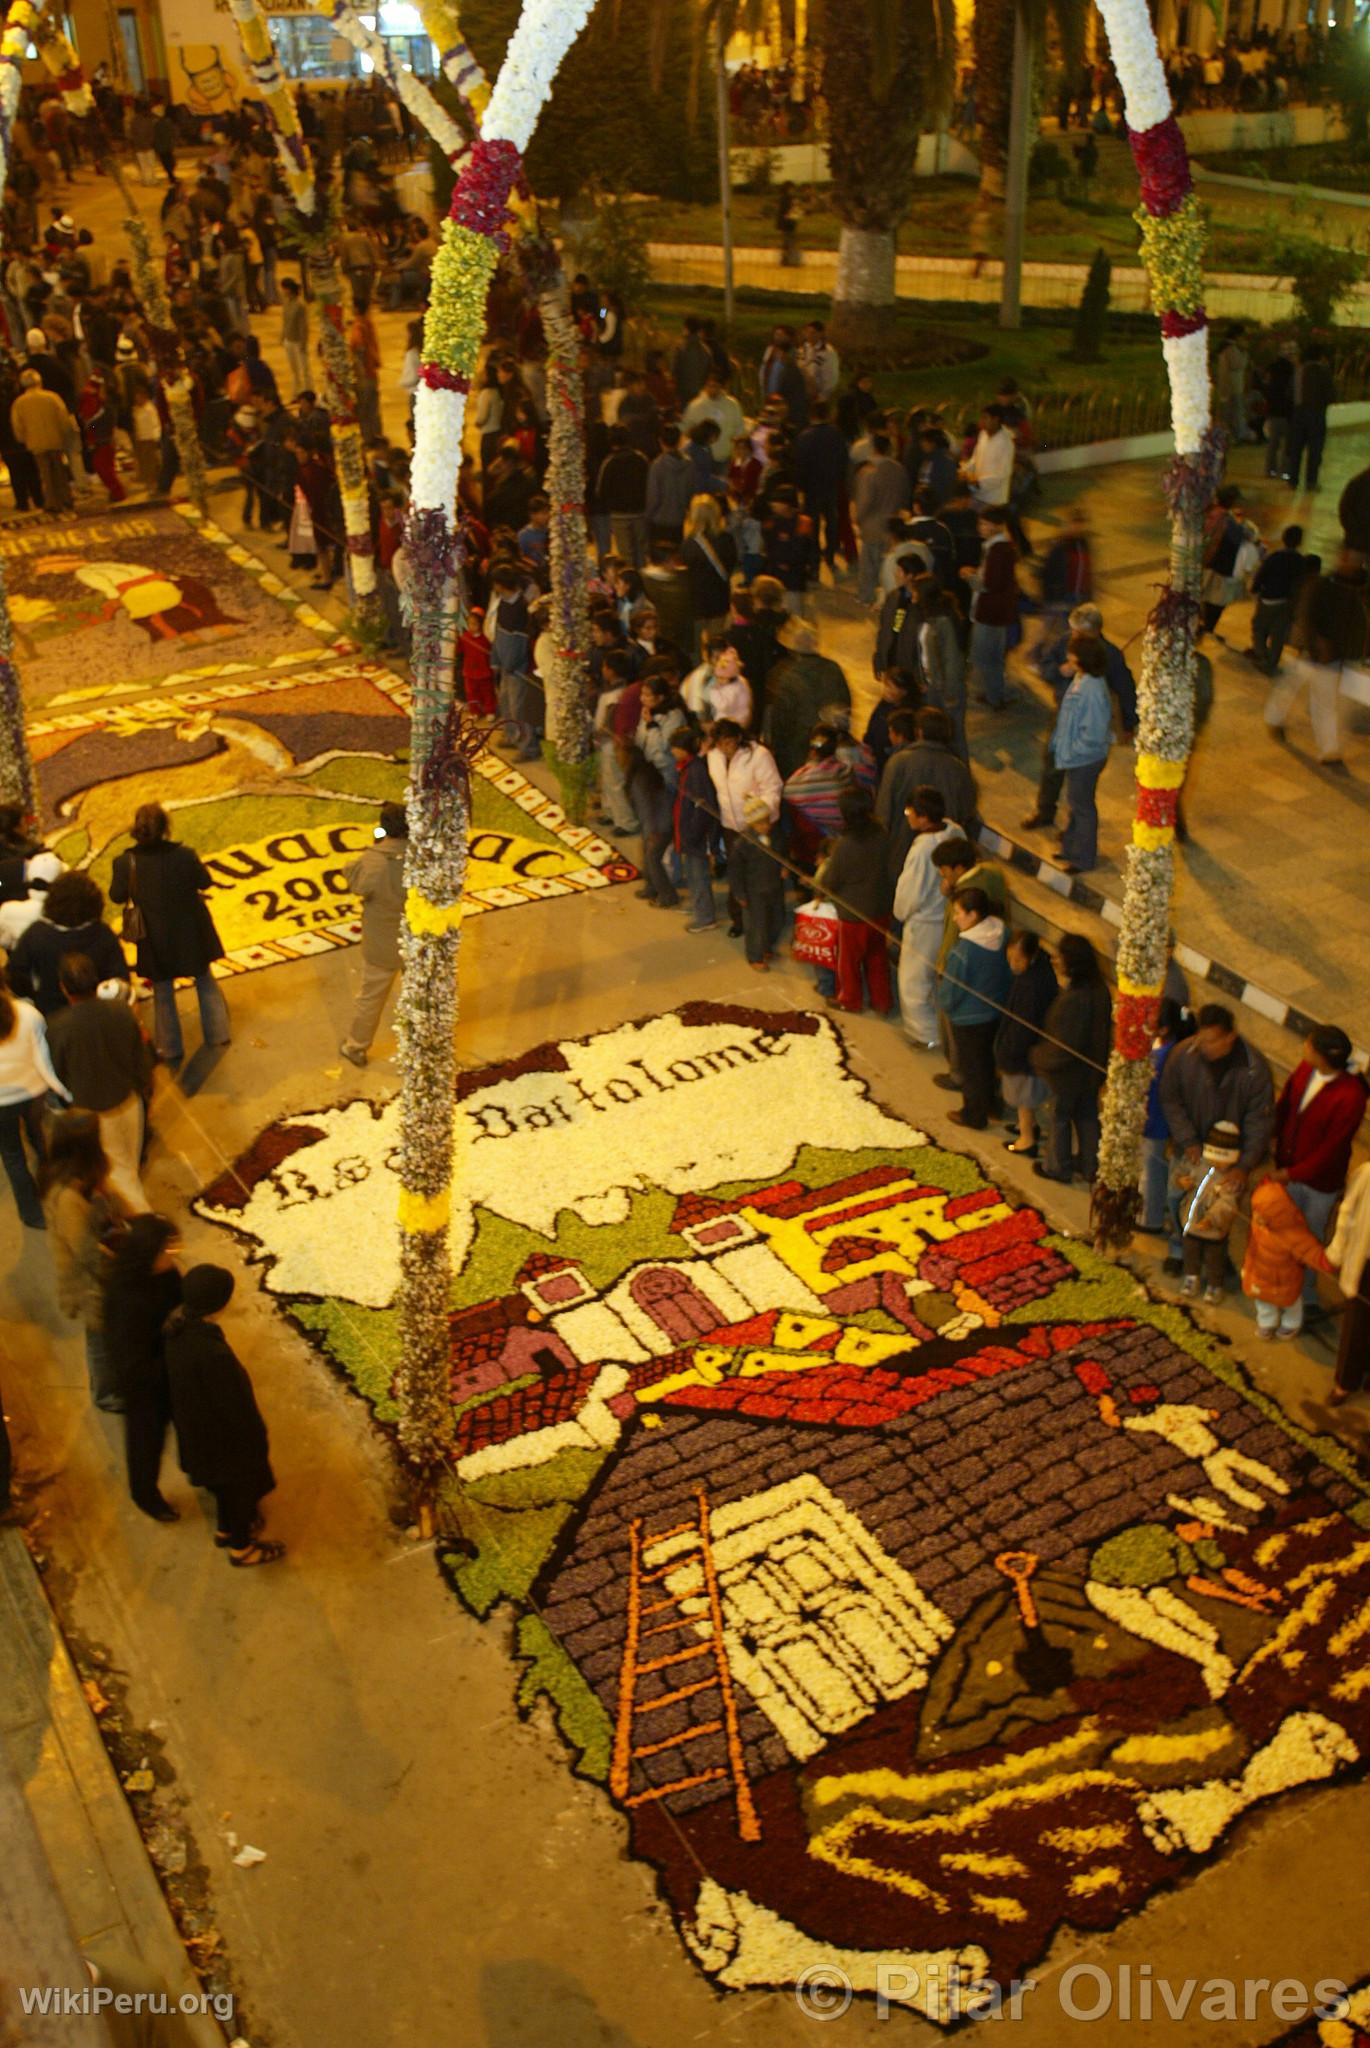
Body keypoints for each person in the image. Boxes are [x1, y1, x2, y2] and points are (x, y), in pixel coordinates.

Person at [165, 1265, 283, 1568]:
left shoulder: (176, 1329)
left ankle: (225, 1528)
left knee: (223, 1490)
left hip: (197, 1436)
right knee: (240, 1491)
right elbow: (234, 1407)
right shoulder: (211, 1354)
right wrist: (257, 1437)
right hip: (224, 1444)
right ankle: (241, 1548)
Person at [109, 805, 229, 1066]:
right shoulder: (184, 855)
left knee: (163, 991)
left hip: (153, 937)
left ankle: (170, 1048)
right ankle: (218, 1035)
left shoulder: (125, 862)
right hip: (190, 931)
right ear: (166, 828)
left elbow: (117, 896)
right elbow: (205, 882)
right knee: (205, 980)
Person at [1160, 1005, 1275, 1270]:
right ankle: (1180, 1247)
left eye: (1211, 1041)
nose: (1204, 1046)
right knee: (1177, 1197)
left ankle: (1215, 1258)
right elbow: (1171, 1099)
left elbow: (1260, 1121)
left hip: (1228, 1160)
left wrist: (1244, 1165)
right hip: (1189, 1150)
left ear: (1230, 1038)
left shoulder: (1254, 1070)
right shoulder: (1183, 1055)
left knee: (1218, 1209)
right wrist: (1187, 1139)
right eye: (1201, 1038)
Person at [1272, 1024, 1368, 1314]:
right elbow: (1287, 1104)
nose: (1305, 1047)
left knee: (1310, 1239)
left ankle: (1307, 1296)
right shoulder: (1304, 1070)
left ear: (1322, 1056)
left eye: (1309, 1045)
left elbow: (1332, 1149)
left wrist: (1292, 1174)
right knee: (1284, 1232)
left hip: (1319, 1183)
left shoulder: (1350, 1096)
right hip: (1289, 1166)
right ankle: (1280, 1287)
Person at [46, 954, 152, 1215]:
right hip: (129, 1101)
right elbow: (140, 1055)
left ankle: (147, 1230)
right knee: (128, 1166)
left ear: (63, 987)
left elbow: (57, 1073)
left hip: (94, 1112)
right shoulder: (121, 1012)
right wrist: (142, 1087)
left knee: (119, 1174)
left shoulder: (58, 1027)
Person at [42, 1109, 125, 1411]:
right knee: (100, 1340)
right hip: (91, 1284)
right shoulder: (66, 1198)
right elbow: (87, 1253)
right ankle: (105, 1394)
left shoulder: (81, 1179)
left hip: (102, 1274)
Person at [104, 1214, 182, 1520]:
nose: (173, 1257)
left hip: (168, 1371)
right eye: (167, 1251)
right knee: (146, 1443)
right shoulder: (127, 1298)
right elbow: (131, 1360)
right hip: (145, 1386)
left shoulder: (163, 1274)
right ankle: (145, 1495)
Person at [1264, 548, 1367, 767]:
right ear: (1343, 558)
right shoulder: (1322, 585)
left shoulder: (1353, 589)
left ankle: (1276, 719)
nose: (1356, 565)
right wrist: (1317, 643)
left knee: (1296, 687)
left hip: (1333, 655)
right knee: (1317, 699)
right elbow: (1307, 615)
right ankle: (1328, 750)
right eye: (1353, 560)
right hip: (1320, 653)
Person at [1031, 931, 1111, 1185]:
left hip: (1069, 1074)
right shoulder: (1099, 989)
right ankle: (1091, 1166)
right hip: (1091, 1070)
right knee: (1087, 1117)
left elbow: (1064, 1044)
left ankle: (1057, 1166)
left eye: (1060, 957)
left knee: (1061, 1118)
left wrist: (1039, 1058)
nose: (1056, 960)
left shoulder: (1076, 999)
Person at [339, 802, 407, 1067]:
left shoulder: (375, 860)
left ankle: (356, 1046)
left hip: (383, 942)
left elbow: (357, 884)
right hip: (418, 939)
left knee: (371, 999)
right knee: (420, 995)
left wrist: (374, 847)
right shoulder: (424, 855)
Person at [876, 707, 978, 884]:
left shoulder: (898, 762)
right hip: (944, 859)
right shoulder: (958, 769)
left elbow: (883, 812)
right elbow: (966, 811)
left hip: (901, 852)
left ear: (919, 732)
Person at [938, 886, 1011, 1130]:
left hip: (968, 1017)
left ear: (973, 915)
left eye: (959, 913)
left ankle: (973, 1114)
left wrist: (945, 1005)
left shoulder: (964, 951)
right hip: (993, 1010)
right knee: (986, 1061)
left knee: (972, 1068)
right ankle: (990, 1104)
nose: (955, 917)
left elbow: (950, 992)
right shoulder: (1001, 933)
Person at [814, 789, 892, 1015]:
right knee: (877, 958)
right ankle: (882, 1002)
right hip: (880, 908)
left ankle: (850, 1000)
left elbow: (831, 880)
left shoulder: (845, 845)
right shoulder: (882, 835)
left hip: (852, 915)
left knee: (848, 962)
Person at [7, 871, 127, 1017]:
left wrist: (35, 994)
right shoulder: (103, 933)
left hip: (50, 1014)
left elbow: (15, 976)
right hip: (98, 1013)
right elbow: (120, 977)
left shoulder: (36, 934)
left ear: (53, 900)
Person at [892, 787, 959, 1048]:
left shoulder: (922, 850)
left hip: (925, 921)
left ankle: (926, 1033)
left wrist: (900, 913)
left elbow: (910, 892)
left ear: (923, 818)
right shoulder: (953, 830)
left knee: (914, 980)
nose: (907, 817)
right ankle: (935, 1028)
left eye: (910, 812)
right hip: (946, 914)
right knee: (932, 976)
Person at [0, 973, 68, 1228]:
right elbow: (44, 1057)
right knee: (38, 1138)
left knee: (12, 1156)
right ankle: (56, 1192)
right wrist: (59, 1089)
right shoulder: (28, 1014)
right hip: (32, 1092)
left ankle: (32, 1214)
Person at [1242, 1173, 1336, 1340]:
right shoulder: (1259, 1225)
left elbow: (1310, 1250)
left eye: (1262, 1213)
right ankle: (1267, 1322)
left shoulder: (1293, 1233)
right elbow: (1253, 1246)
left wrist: (1327, 1262)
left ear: (1277, 1214)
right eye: (1255, 1210)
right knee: (1262, 1300)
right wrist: (1248, 1266)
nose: (1256, 1216)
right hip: (1260, 1272)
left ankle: (1291, 1323)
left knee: (1290, 1301)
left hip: (1285, 1278)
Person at [1050, 630, 1114, 873]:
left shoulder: (1093, 689)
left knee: (1082, 807)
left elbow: (1093, 734)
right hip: (1076, 756)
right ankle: (1071, 848)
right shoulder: (1082, 679)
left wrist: (1072, 751)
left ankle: (1083, 858)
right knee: (1075, 803)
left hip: (1085, 759)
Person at [995, 929, 1058, 1159]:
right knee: (1026, 1096)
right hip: (1030, 1048)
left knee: (1024, 1097)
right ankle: (1028, 1128)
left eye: (1017, 960)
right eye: (1009, 958)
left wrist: (1008, 1051)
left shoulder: (1033, 984)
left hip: (1025, 1052)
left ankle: (1026, 1139)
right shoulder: (1039, 971)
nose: (1013, 964)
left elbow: (1024, 1026)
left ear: (1030, 956)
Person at [1174, 1120, 1245, 1304]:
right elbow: (1181, 1171)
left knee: (1215, 1259)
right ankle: (1192, 1277)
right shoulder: (1199, 1163)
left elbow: (1228, 1204)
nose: (1216, 1164)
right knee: (1191, 1253)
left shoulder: (1231, 1179)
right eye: (1213, 1158)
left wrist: (1212, 1219)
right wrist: (1181, 1180)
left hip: (1215, 1230)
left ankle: (1215, 1285)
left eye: (1222, 1162)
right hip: (1191, 1224)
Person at [962, 507, 1020, 711]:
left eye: (984, 524)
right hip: (1000, 611)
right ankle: (996, 694)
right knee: (994, 656)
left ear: (996, 526)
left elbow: (989, 583)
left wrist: (969, 576)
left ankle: (994, 696)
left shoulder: (997, 550)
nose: (980, 528)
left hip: (990, 612)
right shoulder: (1002, 547)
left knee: (986, 656)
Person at [726, 790, 786, 972]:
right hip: (754, 890)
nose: (765, 826)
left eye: (767, 821)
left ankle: (766, 947)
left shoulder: (776, 837)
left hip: (774, 886)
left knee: (776, 919)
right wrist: (740, 894)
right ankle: (755, 955)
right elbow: (735, 872)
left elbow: (782, 855)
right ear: (751, 824)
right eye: (760, 823)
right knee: (756, 925)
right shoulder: (742, 844)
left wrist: (783, 867)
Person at [1327, 1161, 1370, 1404]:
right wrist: (1338, 1250)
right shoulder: (1367, 1174)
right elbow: (1348, 1213)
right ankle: (1347, 1381)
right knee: (1357, 1324)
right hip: (1367, 1262)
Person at [670, 729, 719, 933]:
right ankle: (699, 907)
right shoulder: (688, 767)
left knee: (698, 875)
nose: (672, 751)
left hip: (696, 835)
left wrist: (692, 833)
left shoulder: (696, 771)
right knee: (692, 873)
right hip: (688, 833)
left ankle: (705, 917)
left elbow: (704, 807)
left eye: (675, 747)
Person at [853, 434, 910, 606]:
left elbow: (865, 501)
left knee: (868, 565)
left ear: (873, 449)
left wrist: (858, 519)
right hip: (893, 523)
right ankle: (885, 597)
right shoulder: (899, 469)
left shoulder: (868, 472)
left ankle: (866, 596)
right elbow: (905, 494)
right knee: (887, 563)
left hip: (873, 524)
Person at [1246, 524, 1308, 676]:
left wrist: (1255, 588)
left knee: (1259, 627)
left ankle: (1262, 653)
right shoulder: (1300, 561)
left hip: (1269, 598)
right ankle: (1271, 662)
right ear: (1300, 542)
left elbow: (1262, 574)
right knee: (1278, 634)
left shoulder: (1275, 557)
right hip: (1287, 602)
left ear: (1283, 538)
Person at [10, 366, 73, 512]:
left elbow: (17, 426)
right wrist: (63, 433)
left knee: (45, 474)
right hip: (55, 439)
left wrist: (23, 439)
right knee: (59, 472)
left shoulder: (19, 403)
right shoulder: (52, 397)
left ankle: (51, 502)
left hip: (35, 442)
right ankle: (66, 499)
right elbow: (63, 419)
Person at [681, 494, 737, 655]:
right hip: (719, 597)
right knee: (718, 643)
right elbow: (731, 565)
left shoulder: (690, 544)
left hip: (696, 600)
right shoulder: (726, 539)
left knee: (698, 647)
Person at [1287, 345, 1332, 492]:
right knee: (1315, 449)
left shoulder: (1298, 370)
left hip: (1298, 412)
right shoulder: (1323, 371)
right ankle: (1311, 482)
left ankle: (1293, 480)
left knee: (1296, 448)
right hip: (1317, 414)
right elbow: (1331, 394)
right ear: (1320, 356)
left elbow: (1290, 392)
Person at [279, 277, 309, 396]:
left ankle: (308, 391)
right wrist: (282, 336)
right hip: (289, 339)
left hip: (298, 341)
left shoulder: (300, 305)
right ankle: (296, 392)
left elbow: (303, 326)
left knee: (304, 369)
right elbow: (285, 321)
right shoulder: (286, 303)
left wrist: (303, 342)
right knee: (294, 370)